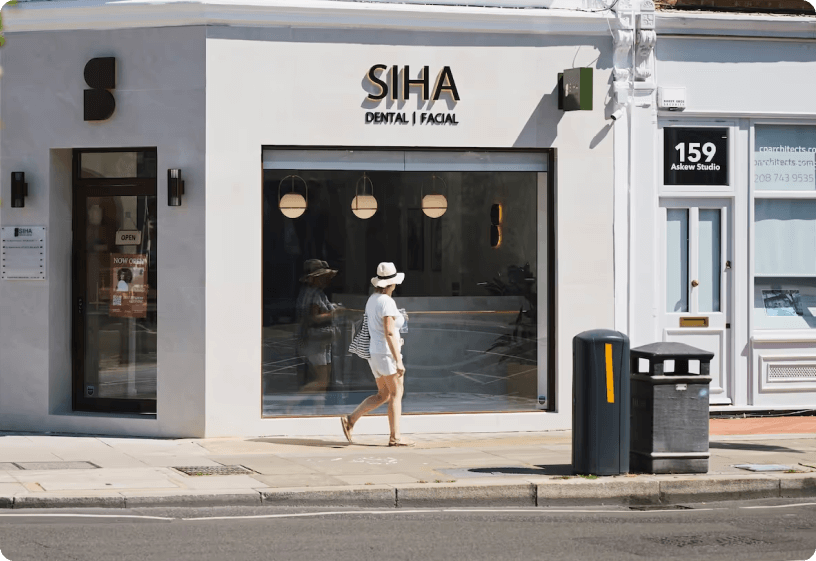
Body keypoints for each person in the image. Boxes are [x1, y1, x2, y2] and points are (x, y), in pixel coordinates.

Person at [341, 262, 413, 447]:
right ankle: (395, 438)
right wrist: (399, 361)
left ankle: (350, 420)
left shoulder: (372, 299)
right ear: (393, 283)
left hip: (375, 352)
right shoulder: (387, 301)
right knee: (396, 394)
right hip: (387, 353)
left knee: (383, 395)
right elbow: (389, 332)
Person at [293, 259, 343, 405]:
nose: (325, 280)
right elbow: (314, 317)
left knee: (324, 381)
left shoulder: (312, 293)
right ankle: (291, 402)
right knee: (321, 380)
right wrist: (334, 314)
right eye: (322, 277)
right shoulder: (314, 294)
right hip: (316, 341)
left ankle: (318, 411)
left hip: (320, 340)